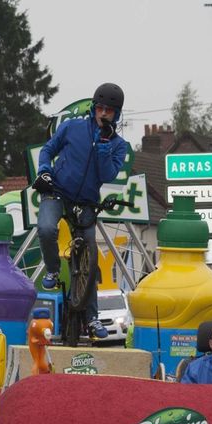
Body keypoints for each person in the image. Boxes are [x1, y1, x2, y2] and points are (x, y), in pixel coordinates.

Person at [32, 82, 127, 340]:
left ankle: (92, 318)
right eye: (100, 108)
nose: (103, 114)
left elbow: (108, 175)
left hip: (86, 201)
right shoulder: (72, 127)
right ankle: (52, 269)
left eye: (109, 110)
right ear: (94, 108)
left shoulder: (119, 145)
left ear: (116, 115)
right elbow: (48, 150)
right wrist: (44, 171)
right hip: (58, 191)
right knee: (47, 228)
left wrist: (104, 146)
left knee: (89, 259)